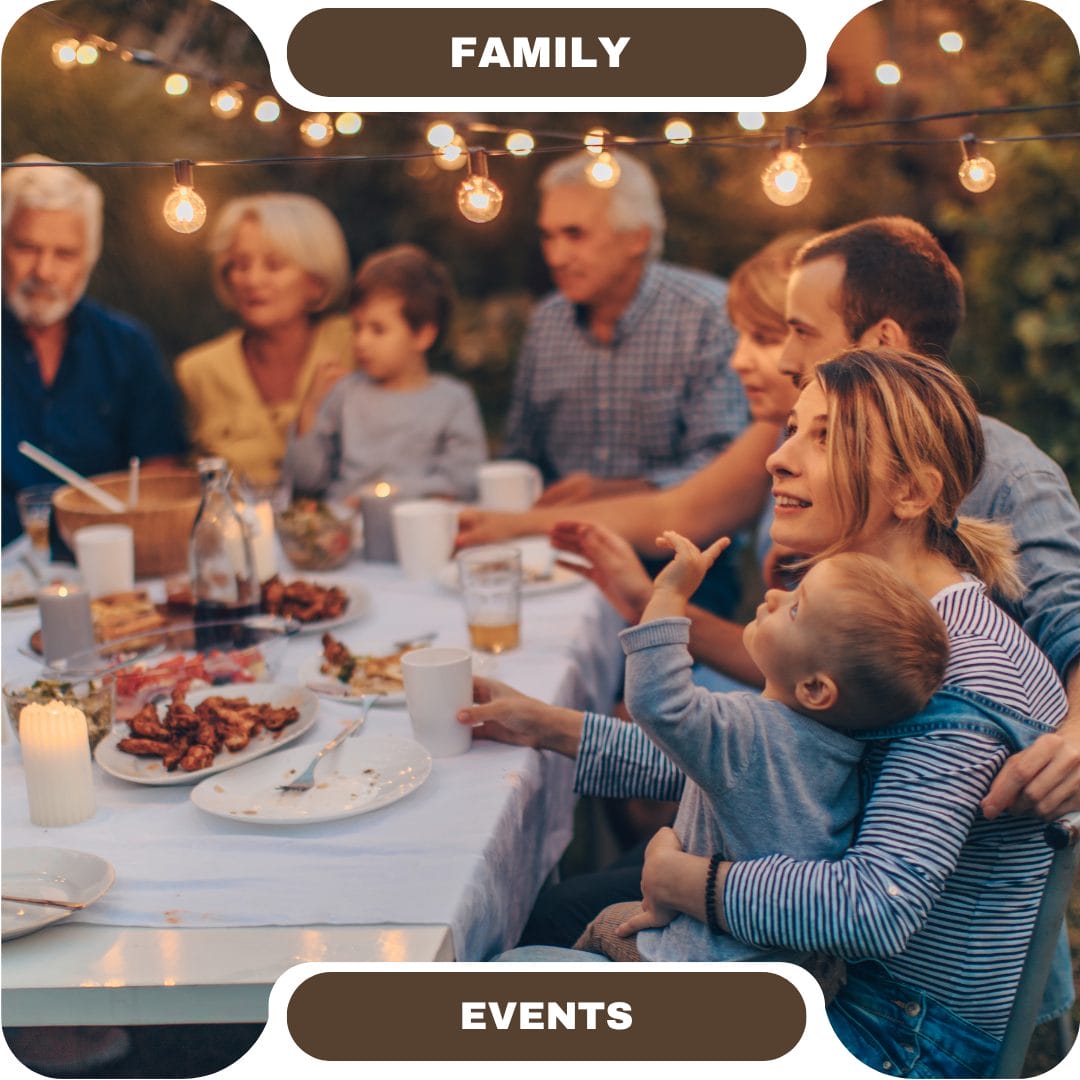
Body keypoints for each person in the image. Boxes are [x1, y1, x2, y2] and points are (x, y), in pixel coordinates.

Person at [468, 349, 1069, 1074]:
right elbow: (754, 760)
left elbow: (875, 907)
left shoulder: (956, 673)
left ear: (909, 492)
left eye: (823, 438)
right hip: (822, 976)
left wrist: (689, 883)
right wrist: (546, 726)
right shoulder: (869, 628)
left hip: (894, 1032)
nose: (779, 458)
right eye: (792, 428)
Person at [461, 215, 1080, 824]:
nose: (783, 358)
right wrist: (547, 724)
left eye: (797, 331)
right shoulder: (840, 505)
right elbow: (773, 758)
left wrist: (708, 890)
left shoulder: (997, 520)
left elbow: (875, 900)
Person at [572, 539, 950, 967]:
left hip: (703, 960)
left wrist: (668, 597)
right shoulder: (847, 753)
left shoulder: (748, 731)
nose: (773, 595)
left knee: (574, 939)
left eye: (795, 608)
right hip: (794, 965)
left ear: (814, 689)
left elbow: (659, 702)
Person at [1, 155, 187, 545]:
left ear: (89, 257)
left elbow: (159, 470)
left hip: (108, 568)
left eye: (64, 254)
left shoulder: (127, 345)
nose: (44, 271)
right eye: (26, 247)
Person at [174, 192, 353, 488]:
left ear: (316, 282)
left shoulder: (356, 344)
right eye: (241, 265)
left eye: (274, 265)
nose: (252, 280)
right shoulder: (198, 371)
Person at [282, 244, 486, 502]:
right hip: (346, 531)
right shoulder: (345, 394)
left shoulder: (452, 401)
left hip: (418, 527)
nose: (361, 341)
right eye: (357, 327)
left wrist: (382, 496)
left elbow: (463, 482)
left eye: (378, 329)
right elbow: (306, 479)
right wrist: (310, 408)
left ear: (423, 334)